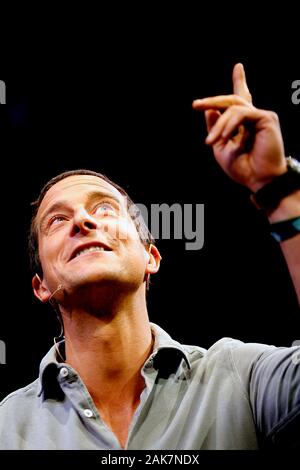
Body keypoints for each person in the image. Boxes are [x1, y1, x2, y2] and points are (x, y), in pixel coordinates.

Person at [0, 64, 299, 450]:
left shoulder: (239, 378)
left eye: (105, 209)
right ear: (40, 286)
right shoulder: (6, 426)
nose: (83, 220)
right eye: (57, 220)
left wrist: (276, 188)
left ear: (150, 257)